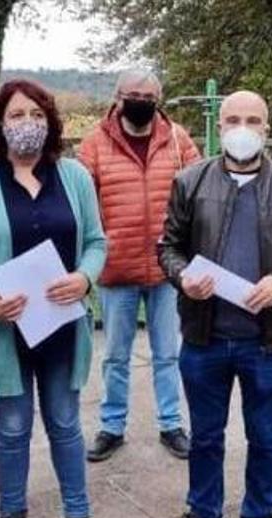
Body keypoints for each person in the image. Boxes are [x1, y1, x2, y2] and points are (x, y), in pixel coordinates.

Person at [0, 79, 107, 518]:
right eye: (16, 115)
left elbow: (96, 241)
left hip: (61, 326)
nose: (27, 124)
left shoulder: (74, 176)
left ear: (51, 122)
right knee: (12, 429)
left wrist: (85, 277)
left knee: (66, 423)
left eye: (37, 115)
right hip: (5, 331)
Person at [156, 91, 272, 518]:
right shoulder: (190, 182)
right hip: (205, 336)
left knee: (265, 436)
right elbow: (167, 246)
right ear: (220, 126)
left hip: (264, 339)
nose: (241, 128)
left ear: (267, 129)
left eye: (252, 120)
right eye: (232, 119)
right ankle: (203, 516)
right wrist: (182, 276)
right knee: (206, 436)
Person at [77, 69, 201, 462]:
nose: (140, 100)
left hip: (167, 268)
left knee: (168, 352)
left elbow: (200, 193)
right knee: (115, 355)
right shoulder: (94, 144)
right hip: (115, 269)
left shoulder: (179, 141)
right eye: (133, 94)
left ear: (159, 98)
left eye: (148, 95)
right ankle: (112, 426)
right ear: (117, 97)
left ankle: (171, 423)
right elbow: (80, 203)